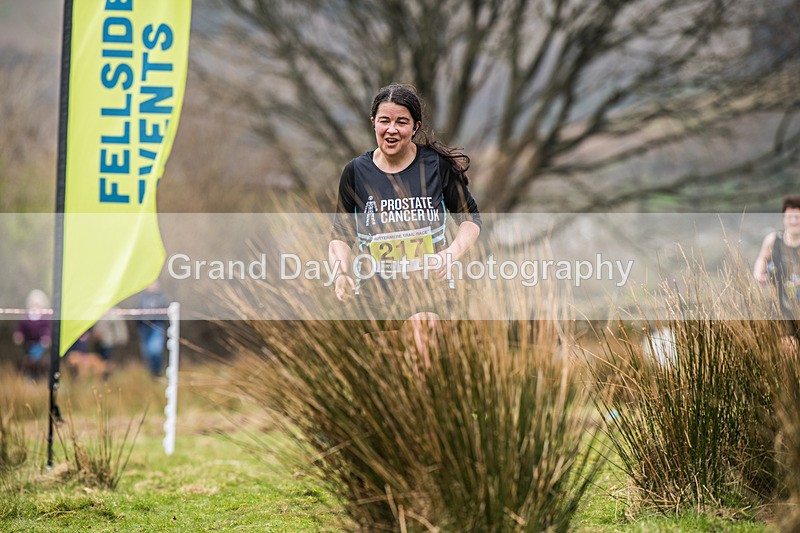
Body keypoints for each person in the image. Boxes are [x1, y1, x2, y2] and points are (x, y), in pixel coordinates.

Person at [329, 83, 481, 360]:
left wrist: (451, 254)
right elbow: (341, 234)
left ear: (415, 127)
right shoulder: (356, 172)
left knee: (422, 344)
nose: (392, 129)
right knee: (383, 370)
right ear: (373, 122)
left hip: (429, 290)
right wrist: (342, 274)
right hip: (376, 294)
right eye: (384, 121)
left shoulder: (435, 166)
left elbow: (470, 220)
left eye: (401, 122)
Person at [753, 194, 800, 341]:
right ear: (784, 218)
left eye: (797, 217)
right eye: (789, 217)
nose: (793, 221)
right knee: (788, 348)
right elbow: (762, 258)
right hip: (780, 307)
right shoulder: (773, 240)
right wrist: (758, 273)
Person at [12, 289, 51, 380]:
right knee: (28, 361)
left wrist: (46, 338)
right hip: (28, 345)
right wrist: (18, 335)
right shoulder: (26, 318)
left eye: (37, 304)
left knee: (40, 361)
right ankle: (29, 376)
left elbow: (47, 329)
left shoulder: (45, 318)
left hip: (40, 346)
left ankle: (40, 377)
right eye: (33, 304)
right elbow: (21, 328)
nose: (35, 306)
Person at [136, 281, 170, 377]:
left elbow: (167, 314)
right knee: (147, 352)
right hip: (143, 327)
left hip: (157, 326)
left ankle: (157, 372)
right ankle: (152, 373)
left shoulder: (162, 298)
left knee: (155, 350)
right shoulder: (141, 299)